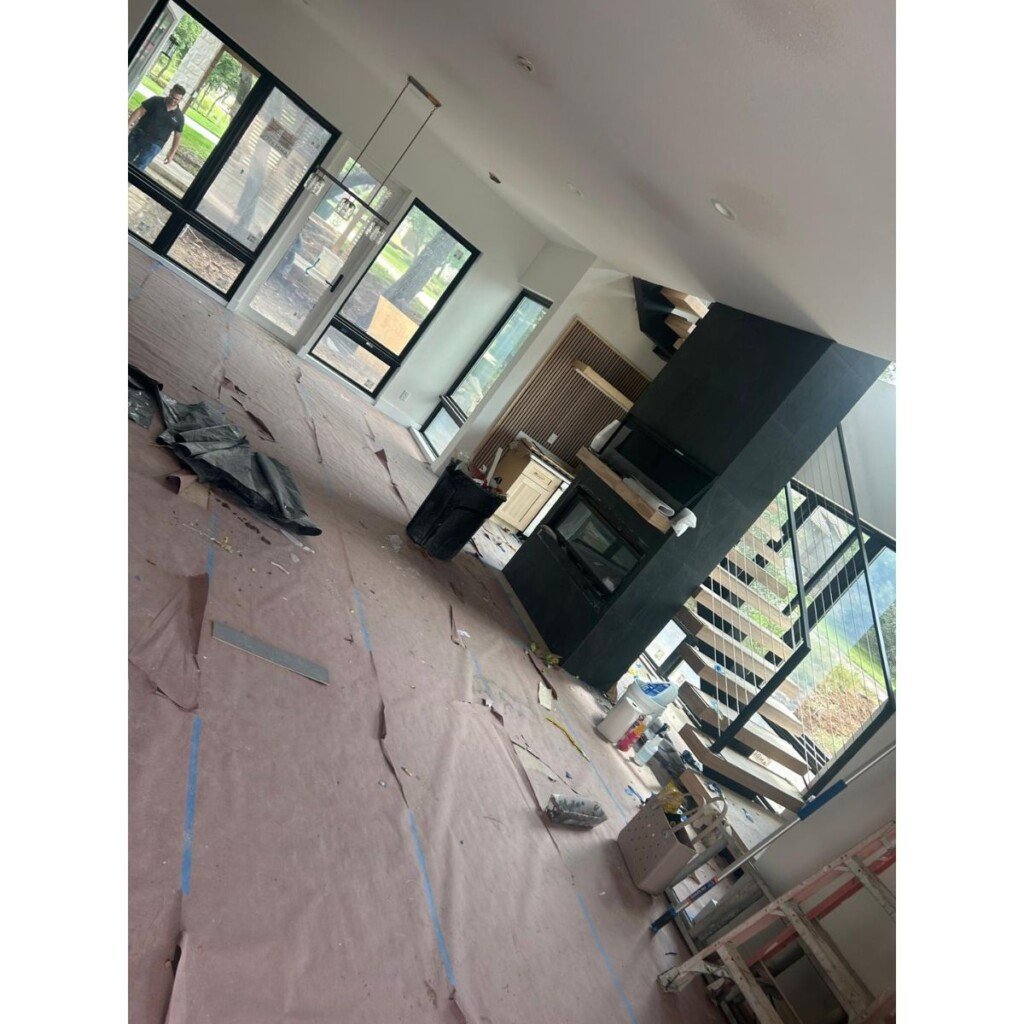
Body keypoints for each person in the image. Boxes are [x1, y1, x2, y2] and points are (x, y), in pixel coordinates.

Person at [128, 84, 186, 171]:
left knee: (139, 167)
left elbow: (177, 136)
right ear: (170, 92)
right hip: (138, 135)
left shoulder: (179, 116)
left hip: (155, 144)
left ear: (181, 99)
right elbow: (140, 111)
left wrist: (171, 153)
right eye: (172, 97)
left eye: (176, 99)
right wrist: (128, 124)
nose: (173, 100)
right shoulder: (155, 100)